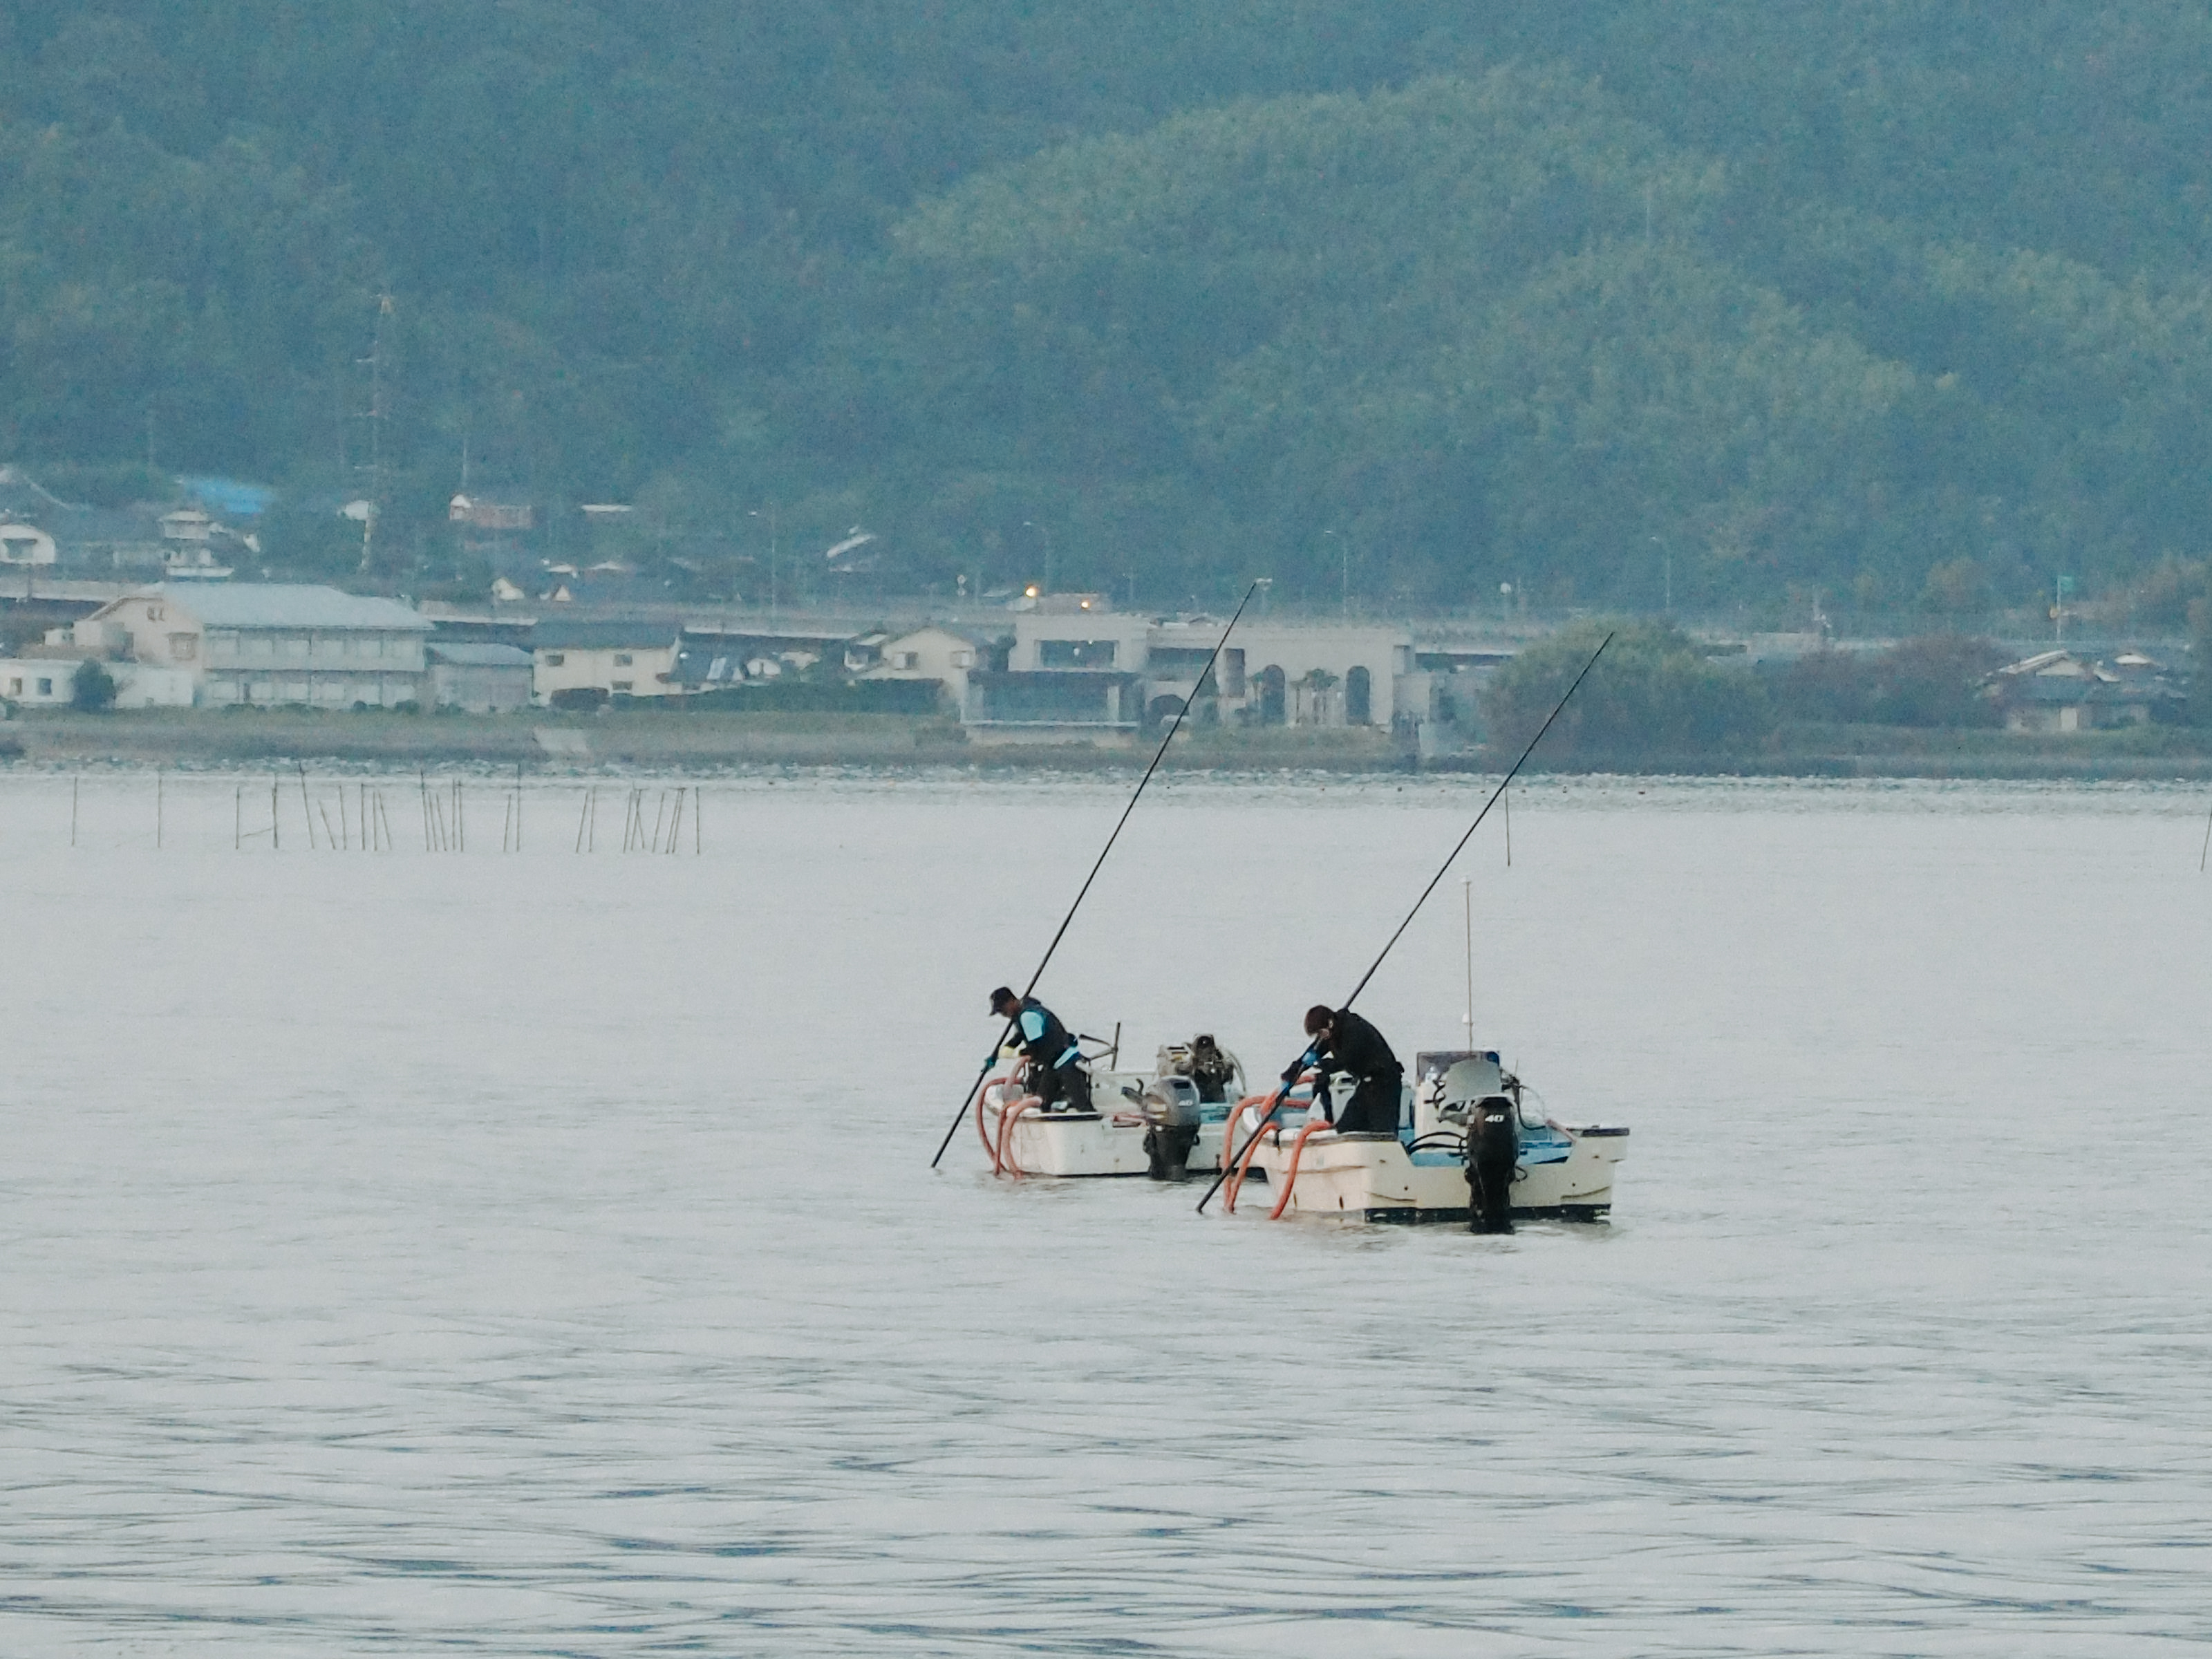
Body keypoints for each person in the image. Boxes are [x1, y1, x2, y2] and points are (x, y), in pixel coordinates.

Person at [1289, 1004, 1403, 1136]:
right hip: (1366, 1085)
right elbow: (1316, 1049)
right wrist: (1296, 1067)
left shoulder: (1354, 1030)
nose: (1322, 1038)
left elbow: (1344, 1061)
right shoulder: (1332, 1032)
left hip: (1385, 1084)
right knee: (1347, 1128)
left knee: (1383, 1132)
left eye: (1322, 1033)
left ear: (1330, 1024)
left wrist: (1320, 1065)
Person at [989, 986, 1094, 1113]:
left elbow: (1036, 1048)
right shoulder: (1021, 1014)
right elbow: (1019, 1037)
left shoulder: (1028, 1016)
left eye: (1003, 1010)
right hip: (1053, 1065)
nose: (1004, 1015)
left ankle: (1092, 1126)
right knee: (1042, 1101)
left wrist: (1016, 1053)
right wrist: (996, 1055)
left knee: (1082, 1105)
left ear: (1011, 1002)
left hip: (1068, 1062)